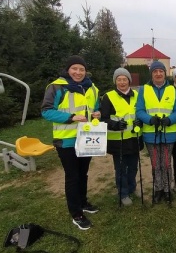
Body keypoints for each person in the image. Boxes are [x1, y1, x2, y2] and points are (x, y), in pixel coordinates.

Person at [41, 55, 100, 230]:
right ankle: (76, 213)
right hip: (65, 140)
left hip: (87, 138)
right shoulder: (56, 87)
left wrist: (96, 113)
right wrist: (71, 117)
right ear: (68, 70)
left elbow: (94, 108)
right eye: (74, 68)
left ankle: (83, 202)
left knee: (83, 173)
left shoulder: (92, 88)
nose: (78, 72)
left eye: (81, 69)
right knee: (72, 176)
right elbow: (46, 111)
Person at [136, 61, 176, 204]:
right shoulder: (144, 89)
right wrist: (149, 119)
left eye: (161, 71)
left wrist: (170, 120)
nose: (158, 74)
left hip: (168, 134)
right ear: (151, 74)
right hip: (151, 134)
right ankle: (158, 189)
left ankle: (168, 190)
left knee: (166, 164)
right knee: (156, 164)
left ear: (165, 73)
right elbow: (139, 110)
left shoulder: (172, 90)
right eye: (155, 71)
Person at [100, 68, 143, 207]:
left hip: (134, 138)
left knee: (133, 167)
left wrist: (140, 122)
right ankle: (123, 192)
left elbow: (142, 113)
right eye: (119, 79)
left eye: (125, 79)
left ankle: (132, 187)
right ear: (115, 81)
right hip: (118, 140)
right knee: (120, 169)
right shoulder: (108, 97)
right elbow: (103, 118)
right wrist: (115, 124)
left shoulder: (137, 95)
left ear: (129, 80)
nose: (122, 82)